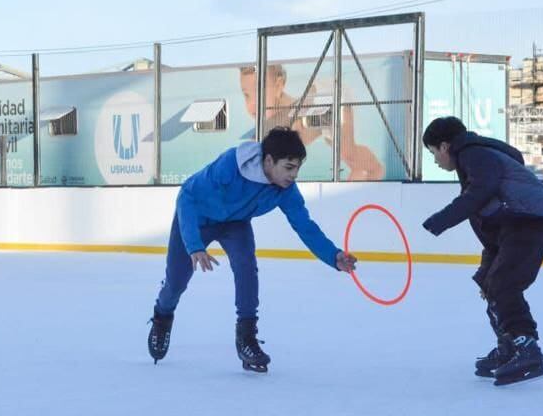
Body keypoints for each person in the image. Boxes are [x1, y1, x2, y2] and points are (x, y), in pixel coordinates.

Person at [148, 127, 358, 372]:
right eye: (289, 168)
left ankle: (246, 338)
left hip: (235, 224)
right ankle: (162, 317)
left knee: (246, 267)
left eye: (297, 168)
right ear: (269, 161)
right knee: (176, 282)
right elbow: (187, 197)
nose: (294, 175)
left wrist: (334, 256)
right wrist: (194, 245)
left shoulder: (285, 189)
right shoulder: (230, 166)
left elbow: (305, 227)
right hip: (198, 219)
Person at [420, 116, 543, 386]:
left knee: (503, 283)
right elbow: (490, 213)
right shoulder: (474, 157)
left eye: (433, 154)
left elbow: (480, 192)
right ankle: (509, 346)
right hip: (518, 224)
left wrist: (442, 219)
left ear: (444, 146)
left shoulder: (473, 153)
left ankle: (526, 347)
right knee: (491, 282)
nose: (436, 161)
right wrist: (487, 263)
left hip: (530, 220)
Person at [239, 64, 385, 181]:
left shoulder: (294, 112)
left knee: (347, 151)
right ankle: (359, 168)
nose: (252, 104)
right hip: (315, 113)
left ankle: (376, 169)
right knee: (339, 149)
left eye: (259, 93)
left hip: (331, 96)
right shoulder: (268, 122)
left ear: (279, 86)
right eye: (246, 96)